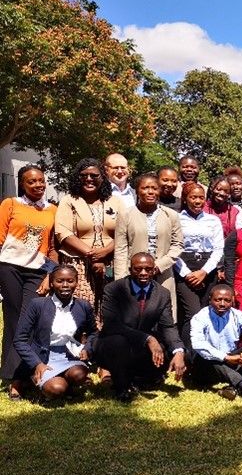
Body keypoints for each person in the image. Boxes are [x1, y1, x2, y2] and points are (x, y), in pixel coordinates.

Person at [93, 253, 186, 401]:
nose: (143, 273)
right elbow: (112, 324)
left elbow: (168, 326)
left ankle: (141, 377)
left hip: (141, 346)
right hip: (114, 342)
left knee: (165, 347)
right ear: (130, 270)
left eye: (148, 269)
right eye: (138, 269)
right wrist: (148, 339)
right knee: (119, 342)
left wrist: (179, 351)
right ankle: (122, 388)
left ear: (154, 270)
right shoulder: (114, 289)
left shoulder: (162, 293)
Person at [0, 164, 57, 397]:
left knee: (31, 320)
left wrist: (49, 275)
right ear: (22, 184)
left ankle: (29, 372)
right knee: (14, 320)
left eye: (41, 180)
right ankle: (14, 379)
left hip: (37, 271)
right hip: (9, 268)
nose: (38, 185)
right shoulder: (10, 204)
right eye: (31, 181)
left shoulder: (52, 210)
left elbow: (53, 248)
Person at [13, 265, 95, 402]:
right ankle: (41, 381)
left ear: (76, 282)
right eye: (59, 281)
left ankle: (65, 382)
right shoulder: (38, 304)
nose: (65, 285)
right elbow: (19, 340)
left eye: (70, 281)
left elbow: (94, 333)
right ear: (51, 283)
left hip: (70, 356)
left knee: (79, 375)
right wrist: (37, 364)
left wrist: (87, 348)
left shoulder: (83, 306)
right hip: (44, 357)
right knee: (57, 389)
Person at [55, 158, 124, 313]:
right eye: (83, 175)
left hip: (111, 262)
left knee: (109, 309)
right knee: (82, 309)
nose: (88, 179)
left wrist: (105, 252)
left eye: (94, 175)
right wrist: (93, 255)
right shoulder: (69, 200)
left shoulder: (116, 202)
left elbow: (124, 232)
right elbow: (63, 232)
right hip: (78, 263)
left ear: (103, 177)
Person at [113, 172, 183, 320]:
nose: (150, 192)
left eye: (154, 188)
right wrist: (121, 280)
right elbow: (120, 249)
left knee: (164, 316)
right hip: (134, 275)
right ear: (137, 191)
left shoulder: (171, 215)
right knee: (134, 315)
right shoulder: (126, 215)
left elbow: (177, 245)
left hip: (163, 274)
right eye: (145, 188)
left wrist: (159, 265)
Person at [188, 283, 242, 401]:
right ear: (210, 300)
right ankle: (241, 384)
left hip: (232, 359)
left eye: (227, 300)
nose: (222, 304)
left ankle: (229, 387)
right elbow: (198, 343)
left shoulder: (238, 315)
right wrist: (226, 358)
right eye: (218, 300)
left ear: (233, 300)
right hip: (209, 364)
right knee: (206, 356)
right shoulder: (200, 317)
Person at [174, 183, 225, 348]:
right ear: (185, 199)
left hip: (207, 269)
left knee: (207, 312)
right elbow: (173, 248)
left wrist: (204, 271)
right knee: (192, 313)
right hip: (184, 268)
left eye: (201, 198)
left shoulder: (213, 220)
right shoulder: (176, 219)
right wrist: (187, 273)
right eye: (193, 197)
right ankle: (188, 353)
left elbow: (218, 248)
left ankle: (206, 351)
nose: (198, 201)